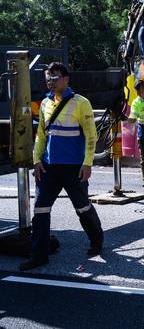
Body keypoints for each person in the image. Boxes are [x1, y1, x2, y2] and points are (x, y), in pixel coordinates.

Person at [20, 62, 104, 271]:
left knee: (82, 207)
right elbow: (41, 135)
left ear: (66, 79)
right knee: (40, 209)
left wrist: (87, 163)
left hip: (73, 167)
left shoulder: (80, 103)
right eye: (48, 78)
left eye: (55, 77)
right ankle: (39, 255)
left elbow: (91, 136)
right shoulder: (45, 104)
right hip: (49, 167)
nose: (50, 82)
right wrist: (37, 160)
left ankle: (96, 240)